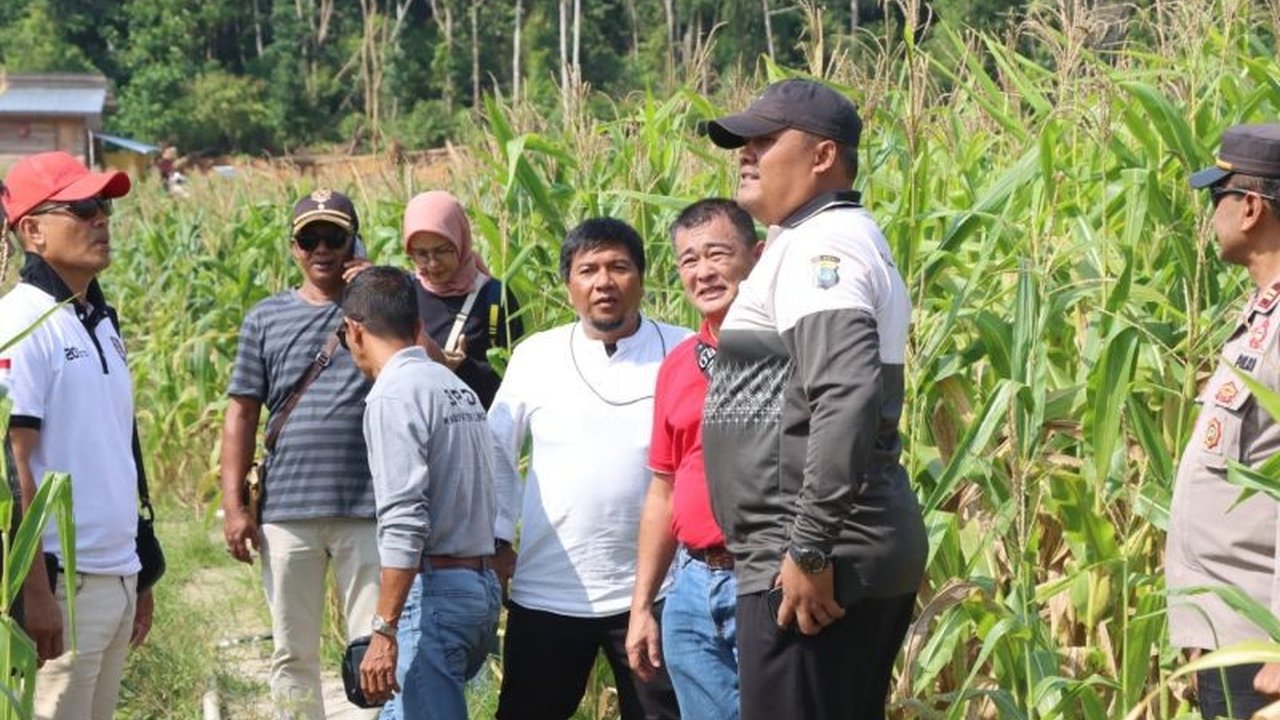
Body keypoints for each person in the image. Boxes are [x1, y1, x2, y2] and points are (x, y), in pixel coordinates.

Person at [701, 78, 928, 720]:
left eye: (765, 140)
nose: (746, 154)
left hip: (813, 567)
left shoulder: (824, 248)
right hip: (817, 553)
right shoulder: (806, 242)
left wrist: (809, 546)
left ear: (823, 157)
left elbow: (847, 396)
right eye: (743, 142)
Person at [488, 217, 687, 720]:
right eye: (588, 269)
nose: (604, 282)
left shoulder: (683, 351)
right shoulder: (536, 356)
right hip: (548, 589)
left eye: (619, 267)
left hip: (655, 594)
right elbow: (496, 450)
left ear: (642, 277)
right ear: (568, 285)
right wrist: (496, 541)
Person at [0, 151, 153, 719]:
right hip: (64, 585)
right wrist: (34, 592)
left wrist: (139, 569)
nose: (102, 220)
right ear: (33, 230)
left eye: (105, 207)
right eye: (84, 208)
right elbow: (16, 465)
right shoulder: (22, 323)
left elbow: (115, 451)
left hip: (112, 576)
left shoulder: (96, 319)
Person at [219, 189, 380, 719]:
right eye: (310, 238)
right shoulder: (265, 318)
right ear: (293, 247)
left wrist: (377, 291)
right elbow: (240, 414)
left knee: (371, 649)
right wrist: (236, 507)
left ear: (354, 240)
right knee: (293, 651)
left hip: (368, 507)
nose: (323, 249)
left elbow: (424, 367)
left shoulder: (379, 310)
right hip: (287, 510)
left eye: (335, 236)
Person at [337, 267, 501, 719]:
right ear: (416, 326)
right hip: (477, 587)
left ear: (354, 331)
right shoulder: (454, 387)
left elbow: (405, 517)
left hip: (434, 597)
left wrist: (384, 628)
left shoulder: (394, 394)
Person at [625, 199, 760, 719]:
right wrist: (643, 606)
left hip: (763, 578)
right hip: (691, 586)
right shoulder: (678, 364)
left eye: (718, 254)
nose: (703, 272)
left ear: (757, 256)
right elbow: (663, 490)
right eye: (688, 260)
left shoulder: (792, 348)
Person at [1166, 123, 1280, 719]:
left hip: (1261, 638)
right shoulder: (1263, 311)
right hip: (1230, 629)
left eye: (1219, 198)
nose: (1212, 217)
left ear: (1253, 207)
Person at [403, 190, 523, 409]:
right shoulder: (403, 293)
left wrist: (463, 368)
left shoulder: (494, 297)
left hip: (475, 429)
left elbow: (517, 378)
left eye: (442, 251)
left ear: (461, 241)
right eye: (421, 254)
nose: (432, 264)